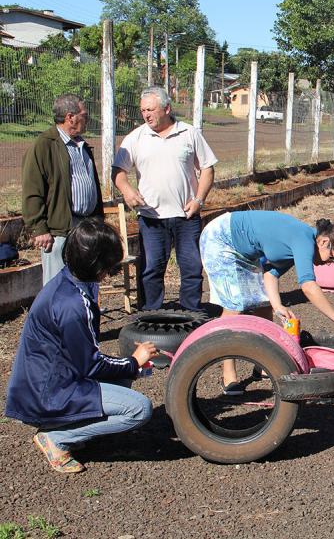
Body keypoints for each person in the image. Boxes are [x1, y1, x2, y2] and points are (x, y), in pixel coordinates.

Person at [4, 219, 158, 474]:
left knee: (123, 379)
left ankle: (67, 429)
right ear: (97, 265)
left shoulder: (67, 283)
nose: (109, 273)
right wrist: (133, 361)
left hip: (42, 383)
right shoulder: (73, 304)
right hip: (49, 392)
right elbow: (91, 365)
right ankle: (57, 437)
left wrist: (129, 366)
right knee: (139, 409)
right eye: (108, 267)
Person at [199, 211, 334, 394]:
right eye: (331, 258)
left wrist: (277, 306)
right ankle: (228, 374)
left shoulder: (302, 242)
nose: (328, 264)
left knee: (264, 305)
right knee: (235, 308)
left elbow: (271, 274)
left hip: (243, 251)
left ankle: (262, 365)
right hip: (221, 238)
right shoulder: (304, 240)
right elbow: (308, 286)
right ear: (324, 242)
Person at [112, 85, 217, 312]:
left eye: (150, 109)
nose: (146, 115)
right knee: (151, 268)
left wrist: (199, 200)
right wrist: (127, 191)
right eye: (143, 111)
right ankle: (151, 312)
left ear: (166, 108)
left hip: (186, 216)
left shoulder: (189, 133)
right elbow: (118, 171)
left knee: (191, 266)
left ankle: (191, 312)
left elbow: (207, 168)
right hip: (151, 217)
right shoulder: (136, 137)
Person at [22, 94, 104, 286]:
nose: (88, 119)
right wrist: (40, 228)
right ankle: (56, 317)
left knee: (85, 280)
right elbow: (32, 189)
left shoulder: (81, 145)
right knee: (57, 284)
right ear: (70, 117)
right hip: (60, 228)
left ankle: (84, 315)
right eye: (85, 115)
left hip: (86, 225)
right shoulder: (44, 145)